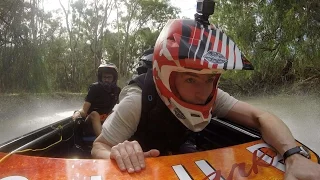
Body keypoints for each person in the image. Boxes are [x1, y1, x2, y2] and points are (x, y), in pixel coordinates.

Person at [91, 19, 320, 179]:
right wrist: (117, 152)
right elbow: (98, 145)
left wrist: (292, 155)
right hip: (143, 163)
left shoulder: (212, 94)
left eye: (210, 79)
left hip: (176, 150)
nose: (203, 92)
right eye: (191, 80)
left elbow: (261, 116)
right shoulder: (135, 101)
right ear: (166, 77)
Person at [72, 63, 121, 137]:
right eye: (104, 77)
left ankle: (117, 138)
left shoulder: (117, 90)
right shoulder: (94, 88)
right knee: (95, 114)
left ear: (114, 78)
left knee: (115, 112)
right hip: (91, 119)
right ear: (100, 77)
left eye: (109, 77)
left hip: (106, 120)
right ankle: (102, 141)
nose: (106, 80)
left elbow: (118, 108)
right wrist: (77, 113)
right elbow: (84, 110)